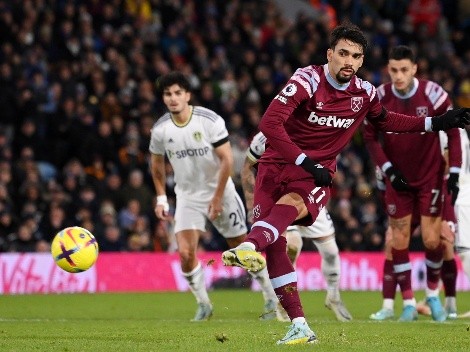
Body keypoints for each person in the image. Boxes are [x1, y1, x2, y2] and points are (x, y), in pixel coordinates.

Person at [220, 23, 470, 345]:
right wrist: (303, 160)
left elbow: (386, 121)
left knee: (291, 209)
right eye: (342, 54)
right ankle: (299, 325)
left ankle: (249, 245)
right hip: (277, 165)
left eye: (355, 56)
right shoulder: (307, 79)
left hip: (315, 175)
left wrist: (434, 122)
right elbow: (270, 122)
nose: (348, 61)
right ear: (330, 54)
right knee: (278, 245)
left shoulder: (364, 93)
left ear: (362, 60)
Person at [148, 71, 279, 322]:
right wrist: (162, 199)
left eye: (178, 93)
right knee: (185, 254)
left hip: (221, 191)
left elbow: (227, 160)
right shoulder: (161, 130)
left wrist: (217, 198)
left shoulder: (209, 120)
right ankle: (203, 304)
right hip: (187, 196)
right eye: (168, 94)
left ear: (187, 95)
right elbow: (156, 166)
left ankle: (270, 296)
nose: (173, 98)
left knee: (242, 250)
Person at [364, 45, 461, 322]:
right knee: (398, 241)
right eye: (393, 70)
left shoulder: (433, 94)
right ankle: (407, 303)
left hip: (430, 178)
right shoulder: (380, 97)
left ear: (415, 69)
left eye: (404, 70)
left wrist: (453, 171)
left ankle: (432, 295)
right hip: (398, 182)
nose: (398, 76)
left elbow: (453, 133)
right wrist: (388, 169)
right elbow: (370, 138)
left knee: (434, 241)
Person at [241, 131, 352, 322]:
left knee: (331, 252)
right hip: (280, 199)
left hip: (307, 196)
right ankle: (284, 299)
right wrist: (252, 201)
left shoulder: (318, 131)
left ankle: (334, 295)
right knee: (292, 245)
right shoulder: (264, 137)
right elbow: (246, 168)